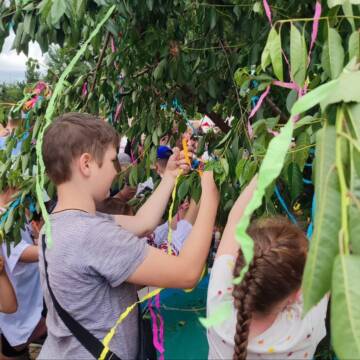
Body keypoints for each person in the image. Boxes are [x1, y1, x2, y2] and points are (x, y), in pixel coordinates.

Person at [39, 112, 219, 359]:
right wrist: (209, 197)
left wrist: (169, 177)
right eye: (113, 161)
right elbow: (188, 273)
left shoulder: (60, 223)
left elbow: (142, 223)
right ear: (86, 164)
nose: (116, 172)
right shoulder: (91, 235)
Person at [207, 177, 328, 360]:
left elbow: (235, 222)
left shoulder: (219, 311)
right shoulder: (304, 327)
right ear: (295, 296)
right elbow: (328, 245)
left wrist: (261, 174)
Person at [0, 188, 46, 359]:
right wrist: (53, 248)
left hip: (26, 298)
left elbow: (10, 306)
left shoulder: (18, 211)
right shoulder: (3, 219)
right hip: (19, 307)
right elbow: (21, 253)